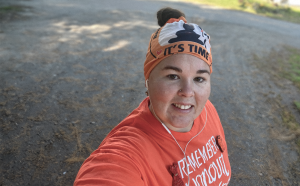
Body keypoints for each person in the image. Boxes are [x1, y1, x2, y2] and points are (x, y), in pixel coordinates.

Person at [74, 7, 231, 186]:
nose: (188, 92)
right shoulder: (129, 151)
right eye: (173, 76)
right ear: (148, 80)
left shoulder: (207, 110)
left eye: (199, 78)